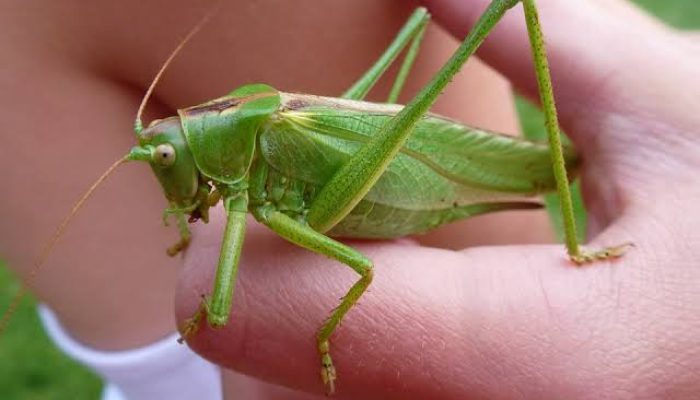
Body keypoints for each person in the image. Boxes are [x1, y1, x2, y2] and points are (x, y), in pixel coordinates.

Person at [0, 1, 542, 399]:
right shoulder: (227, 158)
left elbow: (226, 308)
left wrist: (325, 340)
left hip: (378, 194)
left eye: (169, 160)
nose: (167, 166)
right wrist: (188, 222)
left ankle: (545, 180)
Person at [175, 0, 700, 399]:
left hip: (360, 191)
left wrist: (323, 337)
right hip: (343, 188)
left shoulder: (256, 146)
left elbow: (350, 272)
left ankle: (575, 247)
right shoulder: (234, 156)